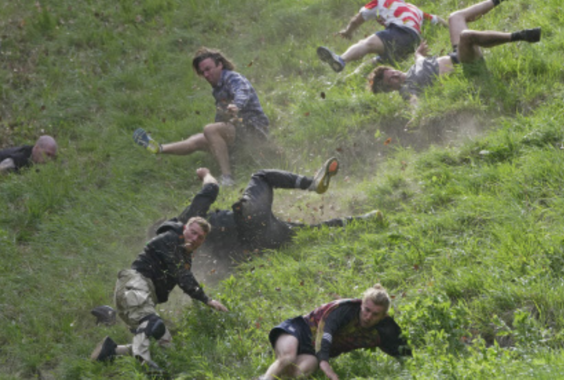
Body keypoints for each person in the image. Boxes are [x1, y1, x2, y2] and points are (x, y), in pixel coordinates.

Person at [90, 217, 229, 371]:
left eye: (200, 237)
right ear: (185, 229)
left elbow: (184, 278)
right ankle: (145, 363)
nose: (194, 238)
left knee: (166, 349)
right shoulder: (170, 238)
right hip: (135, 285)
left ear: (203, 242)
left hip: (142, 297)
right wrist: (207, 300)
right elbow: (182, 275)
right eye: (193, 232)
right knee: (153, 323)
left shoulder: (184, 255)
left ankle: (111, 351)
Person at [175, 157, 381, 255]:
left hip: (259, 243)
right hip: (248, 216)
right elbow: (211, 187)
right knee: (261, 176)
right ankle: (312, 184)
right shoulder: (187, 219)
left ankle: (365, 220)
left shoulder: (182, 255)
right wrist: (204, 174)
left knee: (310, 232)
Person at [133, 47, 270, 187]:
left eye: (208, 69)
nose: (206, 74)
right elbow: (221, 118)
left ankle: (227, 178)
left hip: (254, 130)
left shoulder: (232, 77)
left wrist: (237, 105)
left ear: (220, 65)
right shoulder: (217, 89)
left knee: (210, 130)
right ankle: (159, 148)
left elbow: (242, 91)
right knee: (197, 139)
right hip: (238, 131)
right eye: (203, 72)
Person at [367, 0, 541, 105]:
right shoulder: (407, 89)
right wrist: (416, 116)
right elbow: (414, 102)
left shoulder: (414, 67)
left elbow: (419, 59)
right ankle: (520, 36)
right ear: (390, 89)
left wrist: (419, 53)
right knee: (466, 36)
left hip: (458, 54)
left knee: (454, 17)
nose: (396, 76)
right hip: (465, 66)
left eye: (392, 73)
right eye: (392, 80)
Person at [259, 284, 411, 380]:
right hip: (299, 331)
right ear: (361, 305)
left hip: (311, 352)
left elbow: (405, 353)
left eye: (375, 314)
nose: (368, 316)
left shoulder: (386, 329)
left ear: (384, 316)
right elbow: (325, 334)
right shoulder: (344, 310)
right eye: (367, 310)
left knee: (301, 373)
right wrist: (325, 365)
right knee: (288, 356)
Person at [317, 0, 447, 73]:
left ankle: (341, 60)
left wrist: (347, 32)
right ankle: (349, 79)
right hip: (412, 44)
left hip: (400, 32)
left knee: (367, 43)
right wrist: (449, 26)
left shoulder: (379, 2)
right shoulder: (414, 9)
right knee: (373, 63)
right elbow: (437, 19)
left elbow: (357, 20)